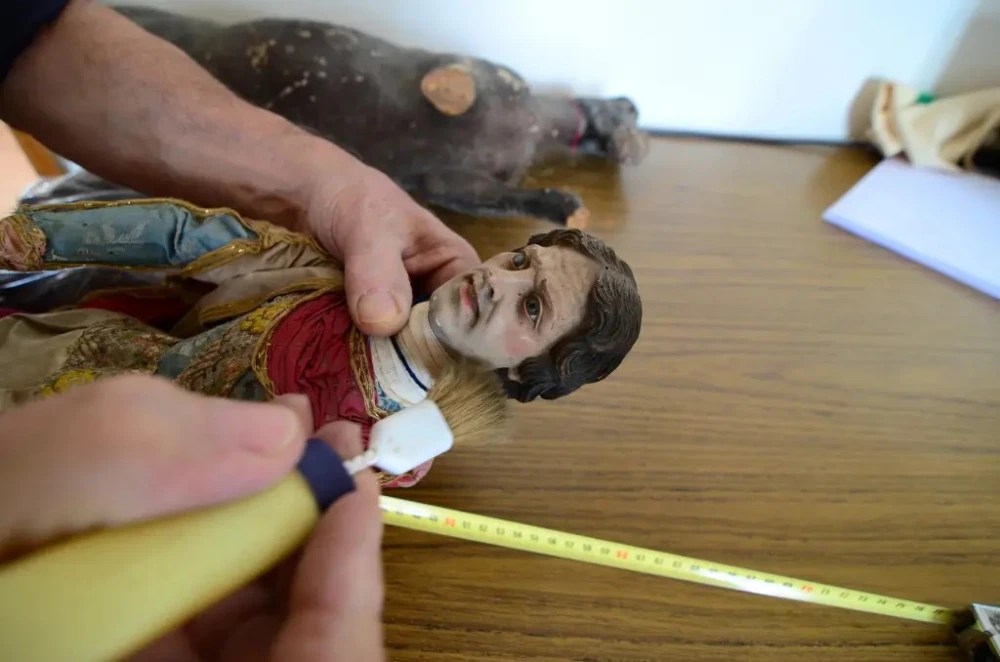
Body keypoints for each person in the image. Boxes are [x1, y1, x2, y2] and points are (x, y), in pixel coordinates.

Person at [0, 0, 480, 658]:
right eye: (519, 263)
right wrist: (43, 238)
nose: (497, 281)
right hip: (67, 362)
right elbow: (183, 236)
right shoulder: (323, 279)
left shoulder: (397, 442)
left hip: (145, 524)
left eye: (534, 308)